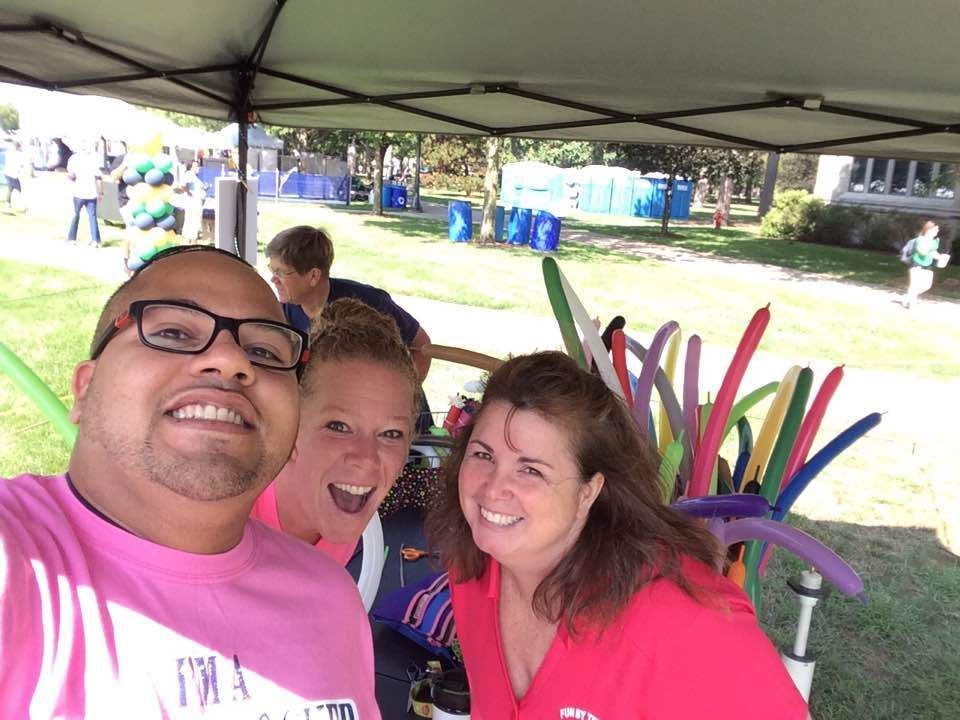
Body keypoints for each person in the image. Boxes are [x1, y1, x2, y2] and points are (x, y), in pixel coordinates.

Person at [0, 246, 381, 718]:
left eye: (263, 351)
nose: (228, 361)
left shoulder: (330, 601)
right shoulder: (22, 566)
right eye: (174, 332)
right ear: (85, 387)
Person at [426, 352, 809, 719]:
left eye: (531, 471)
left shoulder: (681, 621)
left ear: (588, 491)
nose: (493, 489)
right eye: (483, 455)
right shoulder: (473, 570)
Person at [251, 297, 420, 564]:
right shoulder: (223, 518)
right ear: (289, 424)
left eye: (391, 433)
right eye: (339, 427)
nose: (366, 459)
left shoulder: (341, 504)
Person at [265, 225, 433, 429]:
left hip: (395, 418)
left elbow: (422, 346)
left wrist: (404, 398)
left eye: (281, 273)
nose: (274, 280)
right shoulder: (283, 312)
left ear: (313, 276)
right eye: (272, 271)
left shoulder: (369, 302)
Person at [902, 220, 950, 308]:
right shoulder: (920, 239)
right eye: (935, 229)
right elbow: (922, 251)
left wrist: (940, 257)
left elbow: (933, 252)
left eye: (937, 229)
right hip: (917, 264)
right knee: (914, 285)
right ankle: (911, 303)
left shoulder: (934, 241)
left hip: (928, 265)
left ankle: (908, 297)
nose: (937, 231)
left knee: (926, 285)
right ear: (929, 229)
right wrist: (934, 255)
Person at [65, 144, 102, 247]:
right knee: (92, 217)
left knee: (75, 215)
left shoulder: (73, 159)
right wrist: (100, 193)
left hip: (78, 191)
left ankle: (72, 239)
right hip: (91, 192)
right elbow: (99, 177)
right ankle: (95, 240)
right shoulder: (94, 160)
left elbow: (71, 175)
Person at [3, 140, 27, 209]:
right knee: (18, 189)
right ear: (18, 147)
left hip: (7, 173)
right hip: (13, 174)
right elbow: (22, 164)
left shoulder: (9, 153)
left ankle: (8, 204)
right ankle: (21, 205)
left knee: (10, 189)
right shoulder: (19, 154)